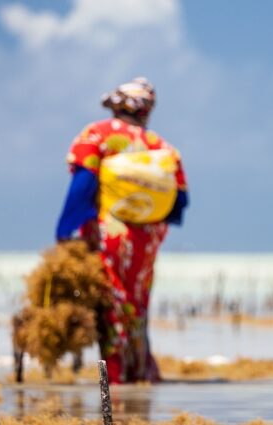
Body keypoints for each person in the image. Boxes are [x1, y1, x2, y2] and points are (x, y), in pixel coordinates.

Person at [56, 77, 189, 383]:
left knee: (112, 306)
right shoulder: (163, 148)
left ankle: (115, 380)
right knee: (137, 306)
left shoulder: (96, 135)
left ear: (116, 105)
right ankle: (139, 373)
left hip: (110, 235)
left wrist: (65, 233)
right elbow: (179, 202)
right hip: (147, 239)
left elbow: (83, 185)